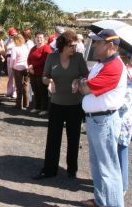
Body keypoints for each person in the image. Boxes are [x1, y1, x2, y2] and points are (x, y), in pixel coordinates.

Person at [78, 29, 127, 207]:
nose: (95, 45)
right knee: (98, 166)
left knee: (108, 169)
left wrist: (81, 84)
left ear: (111, 45)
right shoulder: (101, 63)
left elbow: (85, 88)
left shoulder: (114, 66)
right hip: (96, 120)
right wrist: (82, 83)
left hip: (104, 121)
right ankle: (101, 201)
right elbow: (85, 83)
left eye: (99, 42)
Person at [33, 30, 88, 180]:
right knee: (53, 139)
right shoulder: (52, 57)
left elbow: (86, 75)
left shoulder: (78, 58)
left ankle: (72, 169)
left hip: (75, 105)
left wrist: (79, 81)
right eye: (71, 45)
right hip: (56, 104)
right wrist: (49, 81)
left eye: (75, 45)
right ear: (63, 45)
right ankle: (49, 169)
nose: (74, 48)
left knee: (74, 138)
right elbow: (45, 76)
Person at [118, 50, 132, 196]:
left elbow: (124, 101)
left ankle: (122, 186)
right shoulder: (123, 72)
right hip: (119, 120)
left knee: (121, 151)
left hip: (122, 121)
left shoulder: (125, 74)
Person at [27, 32, 52, 115]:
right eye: (37, 37)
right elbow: (29, 58)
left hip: (41, 73)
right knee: (35, 91)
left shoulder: (46, 48)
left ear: (44, 38)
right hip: (33, 73)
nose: (39, 39)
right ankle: (37, 107)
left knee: (43, 91)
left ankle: (44, 108)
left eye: (41, 37)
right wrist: (30, 67)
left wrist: (32, 66)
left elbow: (44, 60)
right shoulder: (33, 48)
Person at [10, 34, 30, 110]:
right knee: (26, 85)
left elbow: (13, 59)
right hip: (26, 67)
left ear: (16, 40)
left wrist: (11, 66)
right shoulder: (25, 47)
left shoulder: (14, 48)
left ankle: (19, 104)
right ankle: (26, 104)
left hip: (17, 68)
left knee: (19, 87)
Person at [4, 27, 17, 98]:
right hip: (8, 58)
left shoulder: (17, 41)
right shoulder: (7, 40)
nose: (13, 36)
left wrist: (13, 41)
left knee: (16, 76)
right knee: (10, 76)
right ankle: (9, 91)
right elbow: (4, 47)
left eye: (14, 35)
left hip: (15, 58)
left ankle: (15, 92)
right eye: (12, 35)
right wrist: (9, 40)